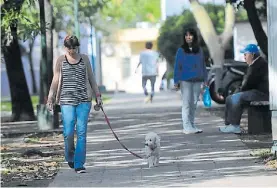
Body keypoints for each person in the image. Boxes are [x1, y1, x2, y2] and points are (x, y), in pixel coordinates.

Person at [47, 35, 102, 173]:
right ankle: (70, 157)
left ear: (77, 46)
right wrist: (50, 97)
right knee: (68, 132)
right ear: (65, 47)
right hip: (66, 101)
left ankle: (79, 164)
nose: (72, 50)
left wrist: (98, 96)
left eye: (74, 47)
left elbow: (92, 79)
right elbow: (55, 80)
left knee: (82, 131)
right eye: (69, 48)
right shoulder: (61, 60)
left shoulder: (84, 59)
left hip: (84, 100)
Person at [219, 44, 269, 134]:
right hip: (256, 91)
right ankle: (229, 124)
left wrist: (240, 90)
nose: (244, 57)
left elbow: (249, 83)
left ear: (252, 55)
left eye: (246, 54)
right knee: (229, 98)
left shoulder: (259, 65)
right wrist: (240, 89)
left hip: (262, 93)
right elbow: (248, 83)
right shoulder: (255, 64)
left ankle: (235, 126)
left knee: (236, 97)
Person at [173, 28, 208, 134]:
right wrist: (176, 81)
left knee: (194, 103)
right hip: (185, 80)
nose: (188, 37)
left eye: (190, 35)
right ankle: (186, 126)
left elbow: (203, 65)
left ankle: (192, 125)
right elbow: (177, 66)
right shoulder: (181, 50)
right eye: (186, 35)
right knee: (186, 103)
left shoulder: (199, 50)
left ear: (194, 37)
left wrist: (205, 79)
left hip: (198, 79)